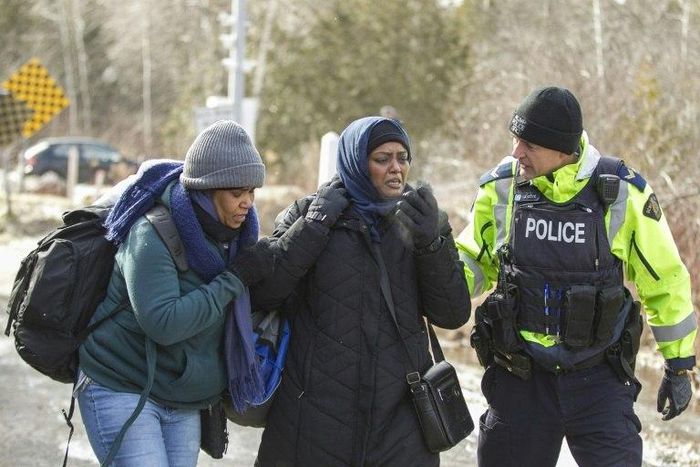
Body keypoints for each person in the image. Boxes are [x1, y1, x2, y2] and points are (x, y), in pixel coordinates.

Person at [456, 86, 697, 466]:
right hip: (521, 377)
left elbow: (664, 280)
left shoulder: (619, 193)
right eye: (515, 140)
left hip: (598, 377)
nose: (517, 152)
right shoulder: (503, 188)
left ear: (563, 151)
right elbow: (472, 261)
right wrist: (432, 272)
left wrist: (679, 365)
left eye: (529, 145)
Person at [250, 116, 471, 466]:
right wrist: (315, 226)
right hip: (313, 421)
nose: (396, 168)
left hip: (400, 425)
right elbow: (265, 292)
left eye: (403, 157)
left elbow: (453, 313)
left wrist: (432, 243)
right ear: (355, 161)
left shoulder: (423, 220)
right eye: (382, 159)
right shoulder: (311, 213)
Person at [76, 120, 275, 466]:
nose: (247, 203)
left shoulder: (237, 238)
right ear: (207, 190)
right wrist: (235, 278)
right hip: (122, 383)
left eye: (251, 192)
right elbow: (164, 323)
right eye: (236, 193)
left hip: (182, 397)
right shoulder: (152, 233)